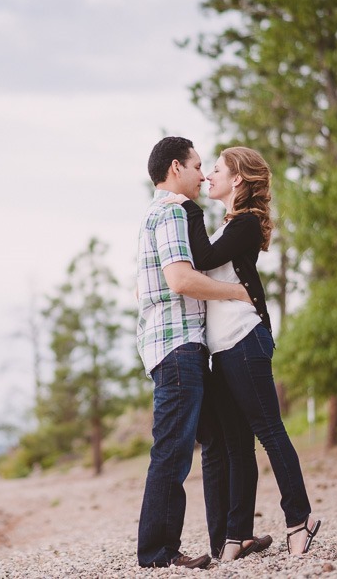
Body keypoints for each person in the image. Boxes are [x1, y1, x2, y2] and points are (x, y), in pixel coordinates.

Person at [164, 146, 321, 558]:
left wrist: (188, 209)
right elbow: (207, 262)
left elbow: (203, 258)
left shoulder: (246, 224)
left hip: (244, 340)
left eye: (214, 169)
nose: (207, 176)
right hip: (223, 348)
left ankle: (299, 519)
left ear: (236, 179)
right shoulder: (229, 226)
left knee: (270, 431)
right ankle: (235, 536)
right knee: (236, 444)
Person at [135, 136, 260, 569]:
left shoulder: (155, 214)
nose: (202, 174)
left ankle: (227, 540)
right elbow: (181, 281)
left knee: (215, 440)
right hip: (177, 346)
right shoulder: (170, 212)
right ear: (175, 168)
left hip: (179, 345)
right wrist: (238, 292)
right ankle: (158, 553)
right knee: (172, 448)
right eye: (197, 165)